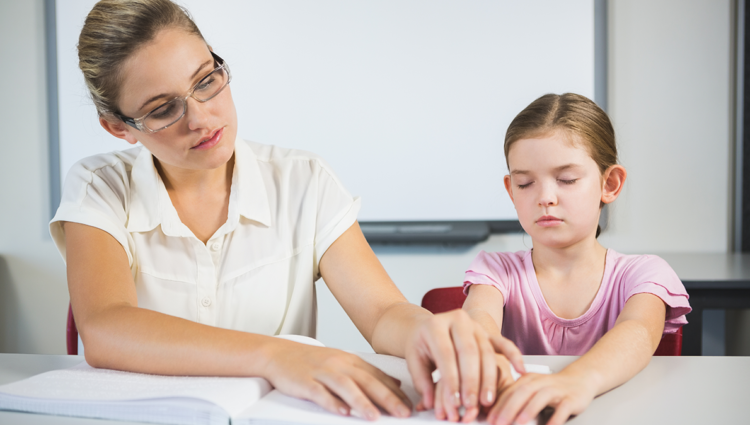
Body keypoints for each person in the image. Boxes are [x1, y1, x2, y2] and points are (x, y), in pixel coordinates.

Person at [49, 0, 527, 421]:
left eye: (206, 81)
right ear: (119, 128)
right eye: (162, 109)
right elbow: (106, 327)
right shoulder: (99, 187)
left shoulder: (303, 181)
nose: (201, 117)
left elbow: (382, 314)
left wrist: (433, 332)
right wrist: (276, 355)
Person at [457, 93, 691, 425]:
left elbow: (638, 330)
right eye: (525, 183)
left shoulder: (644, 274)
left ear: (609, 184)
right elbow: (479, 321)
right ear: (511, 190)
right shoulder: (495, 271)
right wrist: (481, 358)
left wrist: (575, 381)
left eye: (566, 180)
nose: (545, 198)